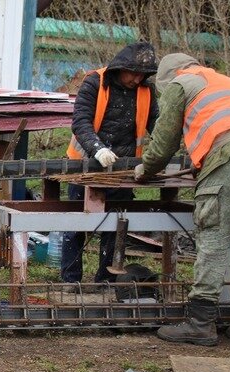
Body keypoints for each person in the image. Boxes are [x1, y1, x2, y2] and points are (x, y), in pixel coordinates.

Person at [134, 53, 230, 346]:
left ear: (171, 76)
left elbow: (164, 142)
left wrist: (146, 169)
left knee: (214, 239)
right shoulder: (228, 82)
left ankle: (200, 323)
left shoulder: (181, 84)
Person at [63, 42, 159, 290]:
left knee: (116, 227)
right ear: (121, 67)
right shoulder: (95, 82)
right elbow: (81, 120)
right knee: (76, 226)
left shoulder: (147, 91)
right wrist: (97, 148)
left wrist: (164, 151)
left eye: (142, 75)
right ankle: (71, 280)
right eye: (133, 73)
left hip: (123, 170)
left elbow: (158, 126)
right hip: (83, 166)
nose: (137, 79)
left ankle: (105, 280)